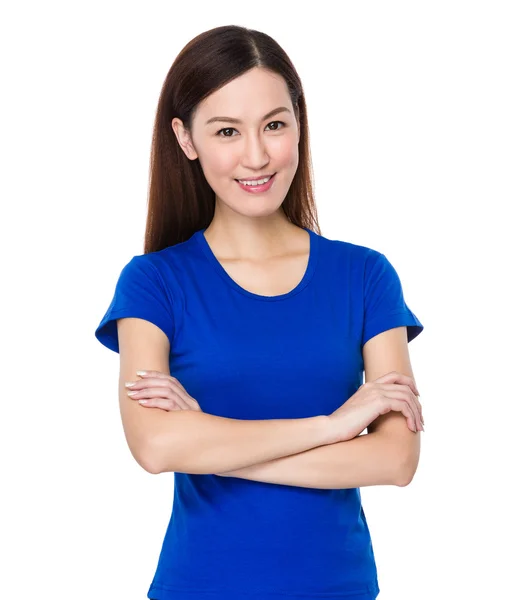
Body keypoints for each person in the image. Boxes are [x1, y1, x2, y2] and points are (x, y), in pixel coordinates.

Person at [94, 24, 424, 600]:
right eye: (227, 131)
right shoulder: (153, 283)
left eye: (275, 124)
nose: (257, 155)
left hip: (339, 588)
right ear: (186, 138)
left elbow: (396, 458)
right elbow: (155, 447)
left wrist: (210, 443)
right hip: (200, 586)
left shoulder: (365, 276)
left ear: (299, 124)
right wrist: (333, 428)